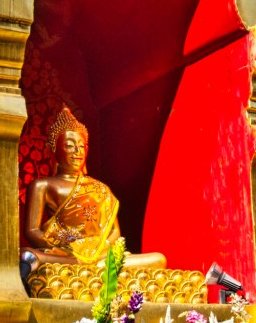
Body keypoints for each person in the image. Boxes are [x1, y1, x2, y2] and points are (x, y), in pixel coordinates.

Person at [19, 107, 165, 284]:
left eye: (81, 146)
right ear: (54, 149)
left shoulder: (100, 188)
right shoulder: (43, 185)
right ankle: (88, 266)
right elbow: (32, 231)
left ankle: (93, 267)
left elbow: (115, 232)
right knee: (29, 254)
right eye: (69, 146)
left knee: (159, 259)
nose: (77, 151)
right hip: (66, 252)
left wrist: (95, 249)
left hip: (101, 255)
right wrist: (68, 246)